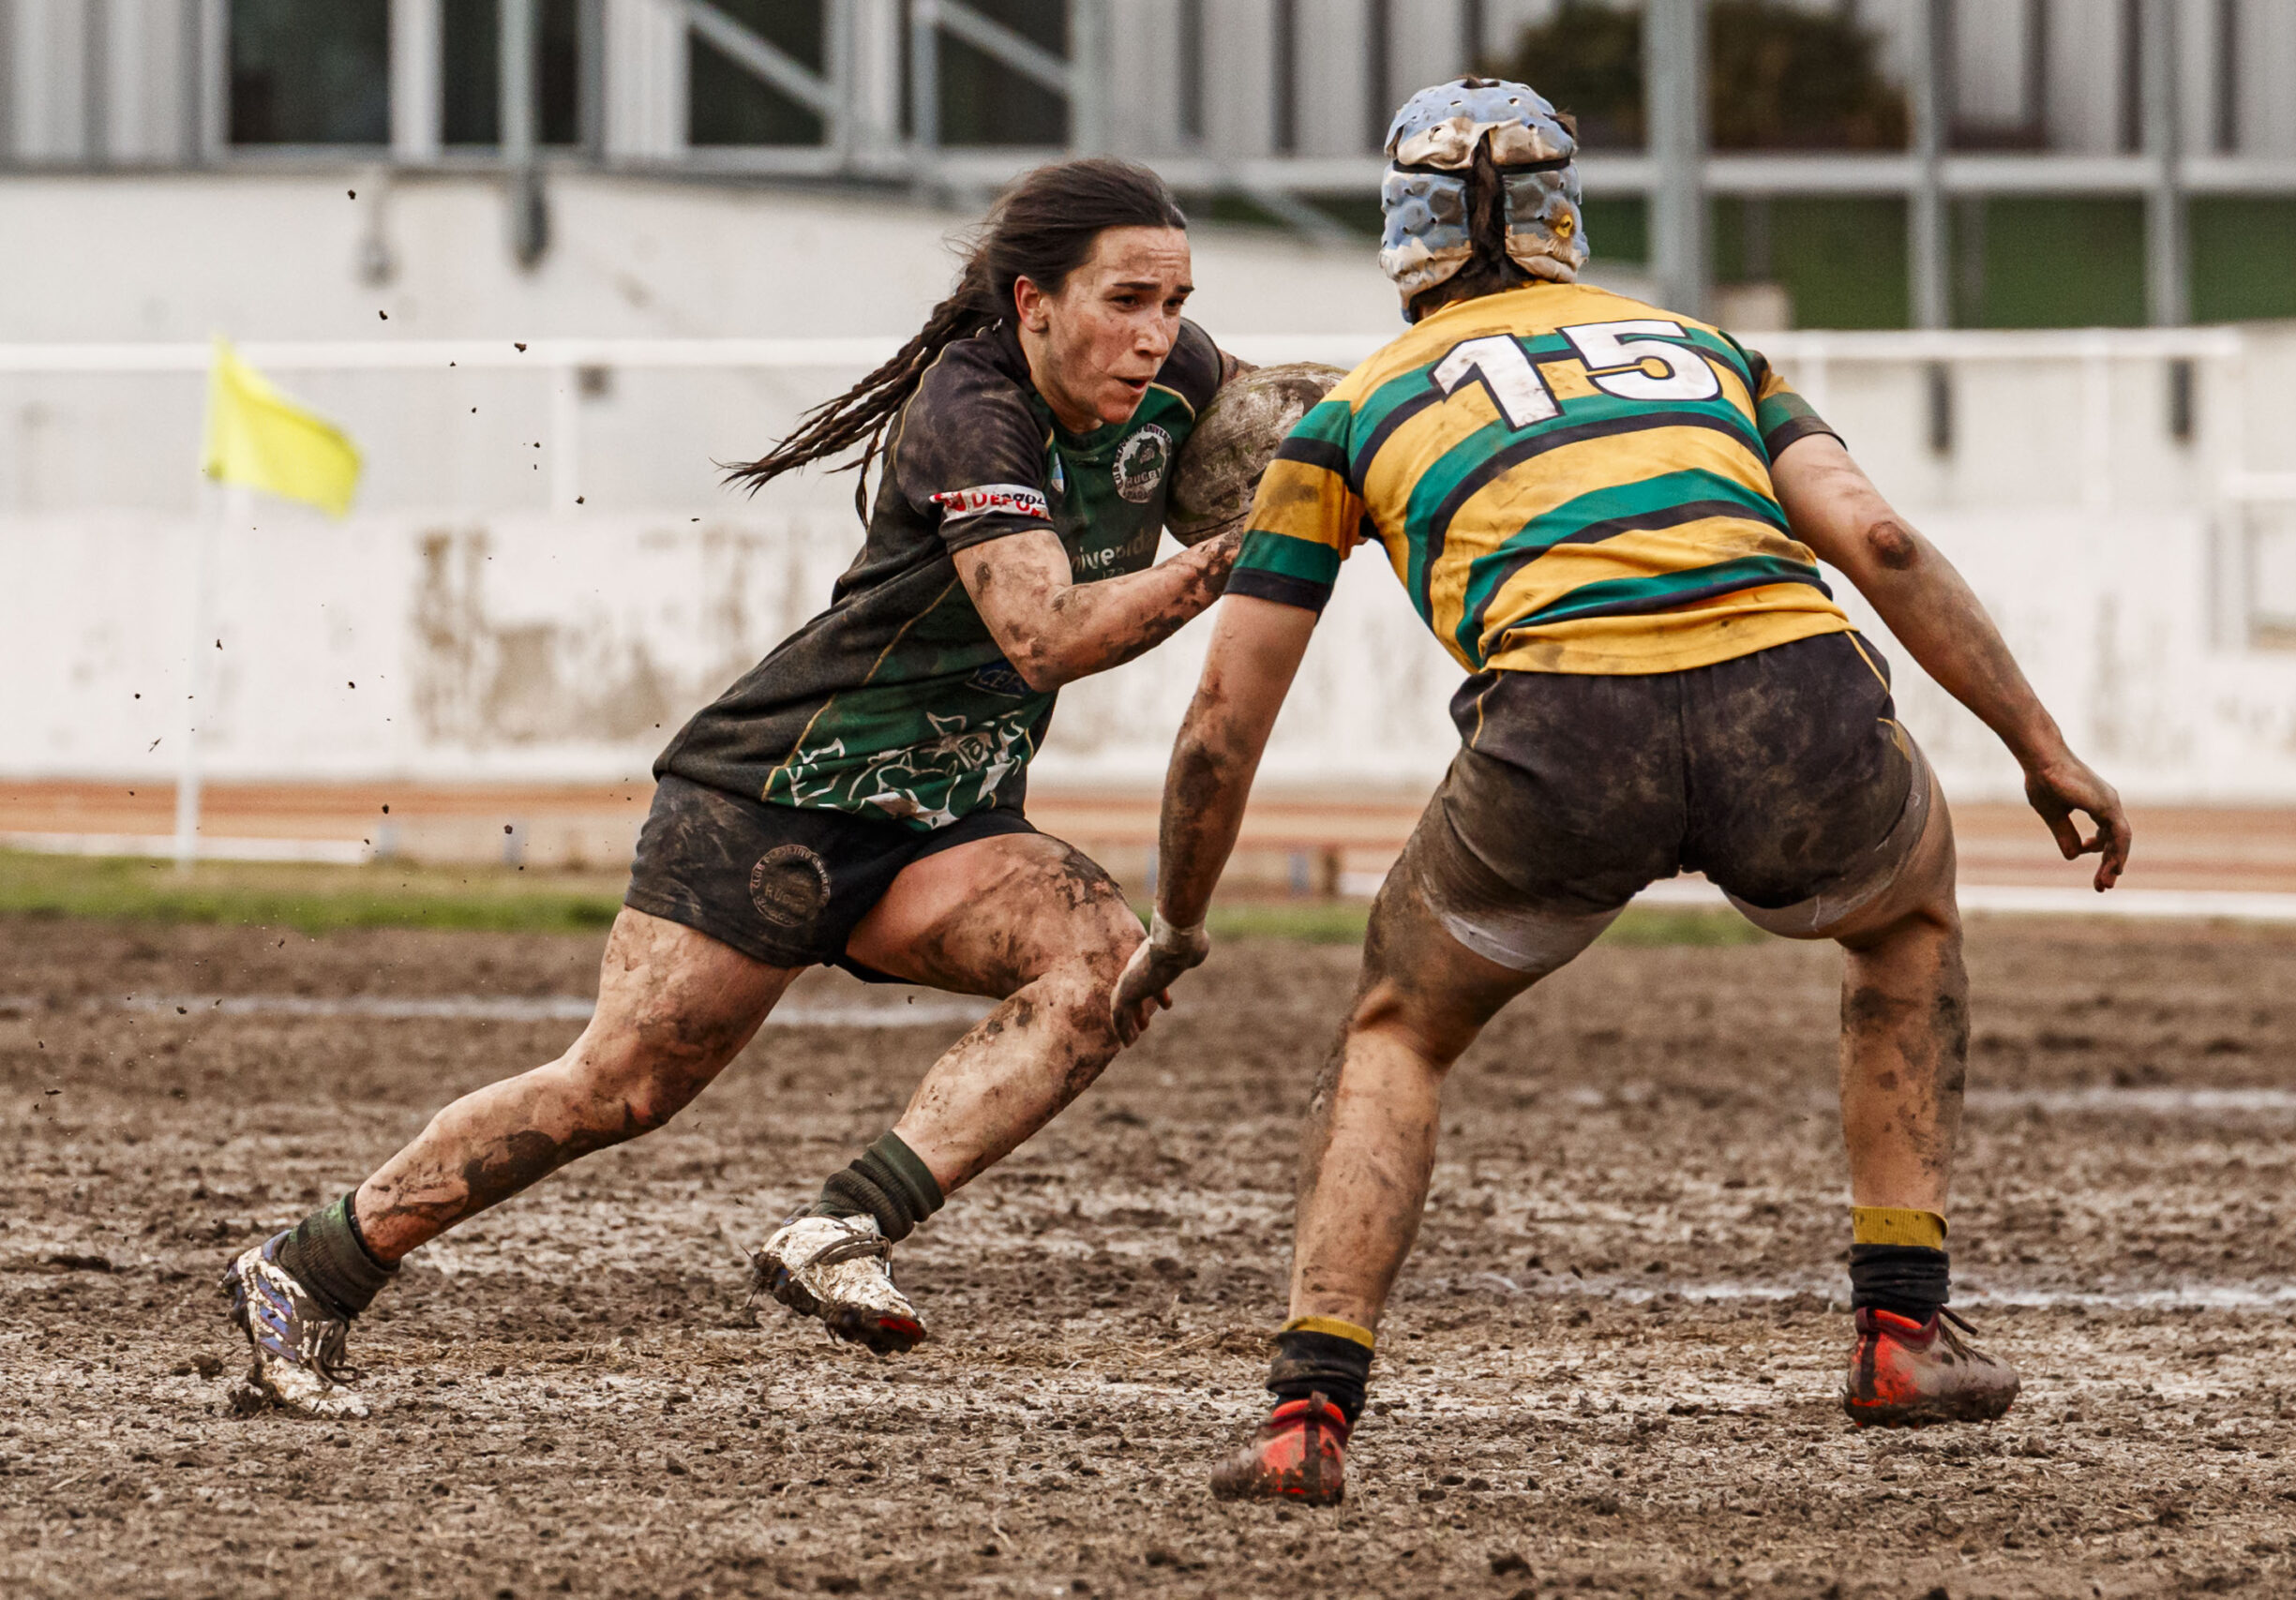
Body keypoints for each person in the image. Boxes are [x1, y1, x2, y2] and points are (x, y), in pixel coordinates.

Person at [1110, 81, 2133, 1503]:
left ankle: (1306, 1421)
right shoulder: (1708, 351)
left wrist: (1180, 916)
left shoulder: (1346, 418)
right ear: (1565, 222)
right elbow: (1882, 543)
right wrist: (2042, 744)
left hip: (1562, 742)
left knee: (1400, 1029)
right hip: (1799, 706)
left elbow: (1228, 715)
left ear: (1403, 237)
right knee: (1904, 923)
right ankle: (1901, 1329)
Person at [224, 157, 1251, 1416]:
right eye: (1127, 299)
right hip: (776, 797)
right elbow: (1042, 637)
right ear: (1034, 302)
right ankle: (311, 1267)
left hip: (942, 818)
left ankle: (842, 1227)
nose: (1158, 335)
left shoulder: (1182, 376)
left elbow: (1310, 425)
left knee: (1104, 964)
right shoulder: (969, 407)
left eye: (1177, 301)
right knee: (623, 1089)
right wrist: (1237, 556)